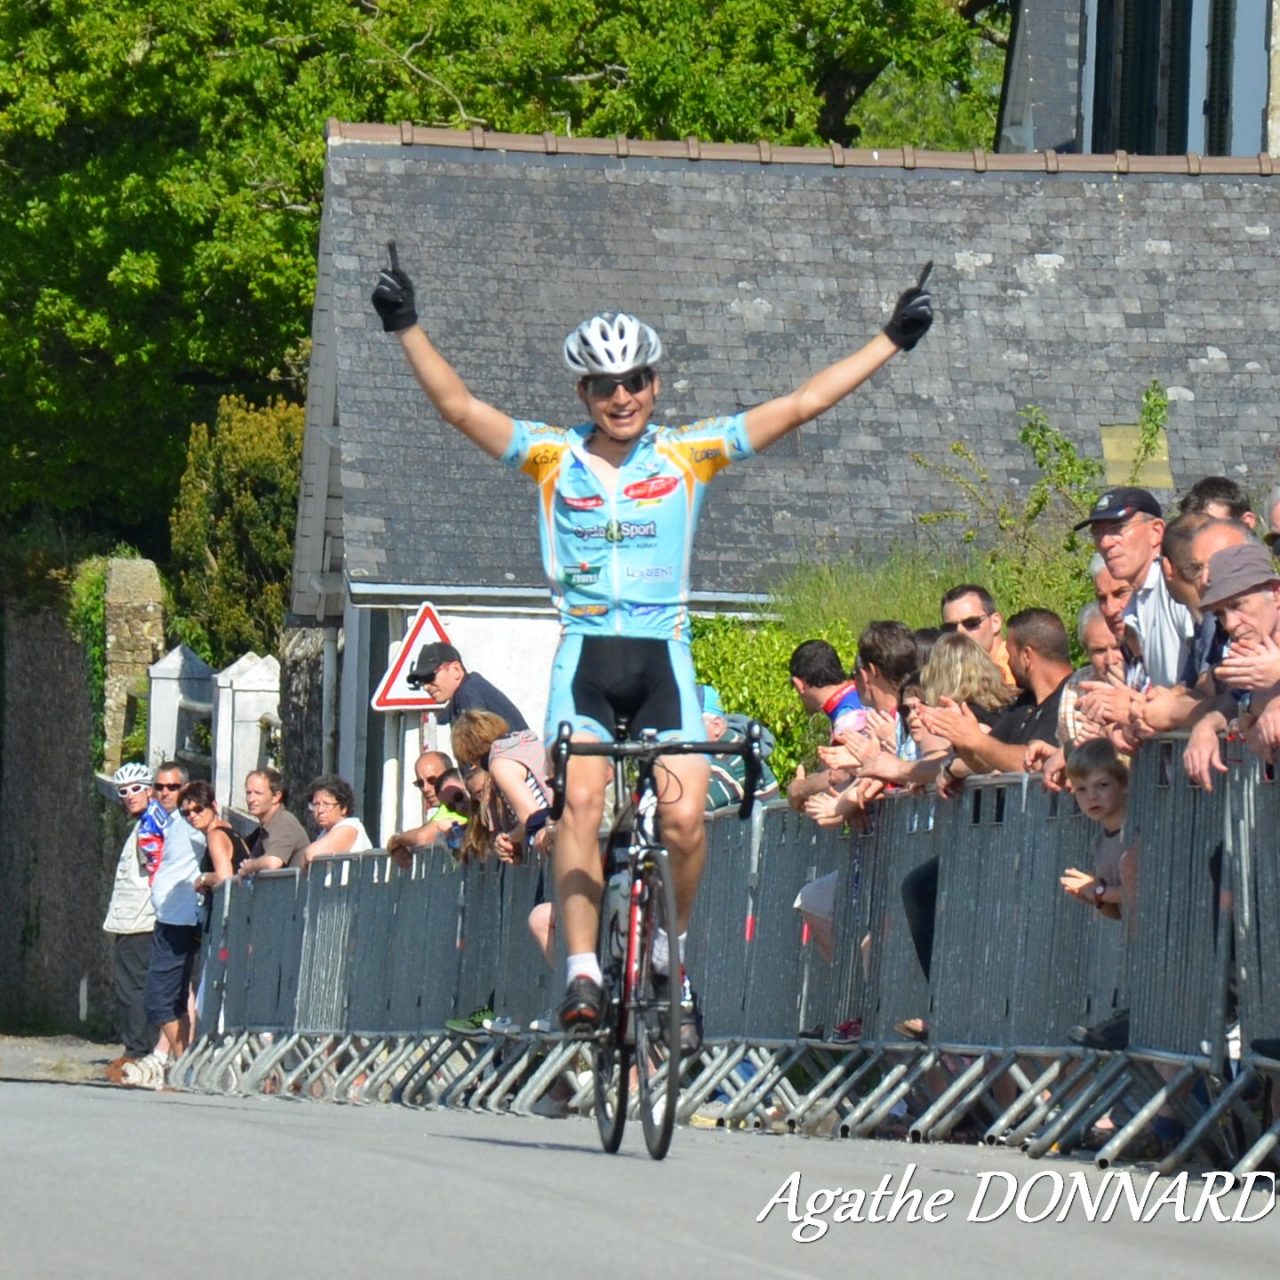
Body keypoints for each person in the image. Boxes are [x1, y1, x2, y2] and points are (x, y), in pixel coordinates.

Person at [372, 246, 933, 1037]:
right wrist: (407, 326)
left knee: (684, 820)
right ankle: (580, 971)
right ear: (585, 393)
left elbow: (802, 402)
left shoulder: (687, 453)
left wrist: (891, 338)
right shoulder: (550, 456)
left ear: (655, 385)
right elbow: (460, 408)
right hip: (588, 660)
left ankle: (669, 949)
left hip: (663, 658)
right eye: (606, 385)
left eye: (636, 381)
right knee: (582, 805)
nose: (623, 396)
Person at [1075, 486, 1196, 689]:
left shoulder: (1176, 587)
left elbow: (1212, 674)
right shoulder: (1136, 606)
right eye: (1097, 533)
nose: (1105, 542)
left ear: (1156, 531)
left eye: (1118, 528)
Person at [131, 761, 206, 1085]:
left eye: (172, 787)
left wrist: (209, 882)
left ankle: (184, 1063)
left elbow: (222, 848)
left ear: (185, 788)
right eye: (159, 787)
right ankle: (183, 1064)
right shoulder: (174, 821)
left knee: (158, 999)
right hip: (168, 918)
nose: (164, 793)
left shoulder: (194, 825)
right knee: (174, 999)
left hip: (182, 920)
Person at [101, 763, 161, 1083]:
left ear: (150, 789)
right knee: (133, 987)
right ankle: (138, 1048)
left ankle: (138, 1050)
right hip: (131, 918)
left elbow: (157, 869)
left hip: (141, 918)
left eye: (136, 788)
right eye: (123, 791)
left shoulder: (152, 825)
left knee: (133, 988)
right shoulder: (144, 824)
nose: (129, 796)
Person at [785, 638, 868, 811]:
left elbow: (841, 774)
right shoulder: (855, 696)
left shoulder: (848, 715)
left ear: (799, 685)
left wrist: (799, 788)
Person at [1059, 739, 1133, 921]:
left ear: (1124, 783)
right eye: (1081, 789)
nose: (1092, 796)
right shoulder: (1099, 843)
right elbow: (1116, 913)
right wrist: (1094, 897)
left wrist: (1099, 890)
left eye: (1102, 785)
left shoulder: (1138, 833)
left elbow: (1145, 894)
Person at [406, 641, 528, 731]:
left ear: (456, 670)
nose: (426, 687)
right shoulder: (467, 691)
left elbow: (476, 747)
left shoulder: (467, 692)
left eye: (429, 677)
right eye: (421, 681)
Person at [699, 685, 778, 812]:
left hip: (758, 831)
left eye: (691, 725)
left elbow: (692, 803)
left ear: (717, 726)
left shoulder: (731, 758)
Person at [387, 750, 470, 869]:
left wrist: (397, 839)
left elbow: (422, 837)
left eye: (432, 780)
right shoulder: (446, 808)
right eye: (420, 783)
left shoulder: (458, 806)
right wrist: (396, 843)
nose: (425, 788)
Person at [238, 768, 309, 876]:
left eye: (258, 793)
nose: (251, 799)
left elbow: (273, 862)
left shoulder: (285, 822)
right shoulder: (266, 826)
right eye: (248, 793)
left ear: (276, 796)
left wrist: (249, 867)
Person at [940, 584, 1013, 685]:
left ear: (995, 622)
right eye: (950, 628)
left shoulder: (1014, 668)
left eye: (971, 623)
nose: (960, 632)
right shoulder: (952, 674)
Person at [300, 775, 373, 865]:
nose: (320, 810)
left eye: (326, 804)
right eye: (316, 804)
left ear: (343, 808)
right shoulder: (323, 834)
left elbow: (312, 855)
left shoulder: (350, 827)